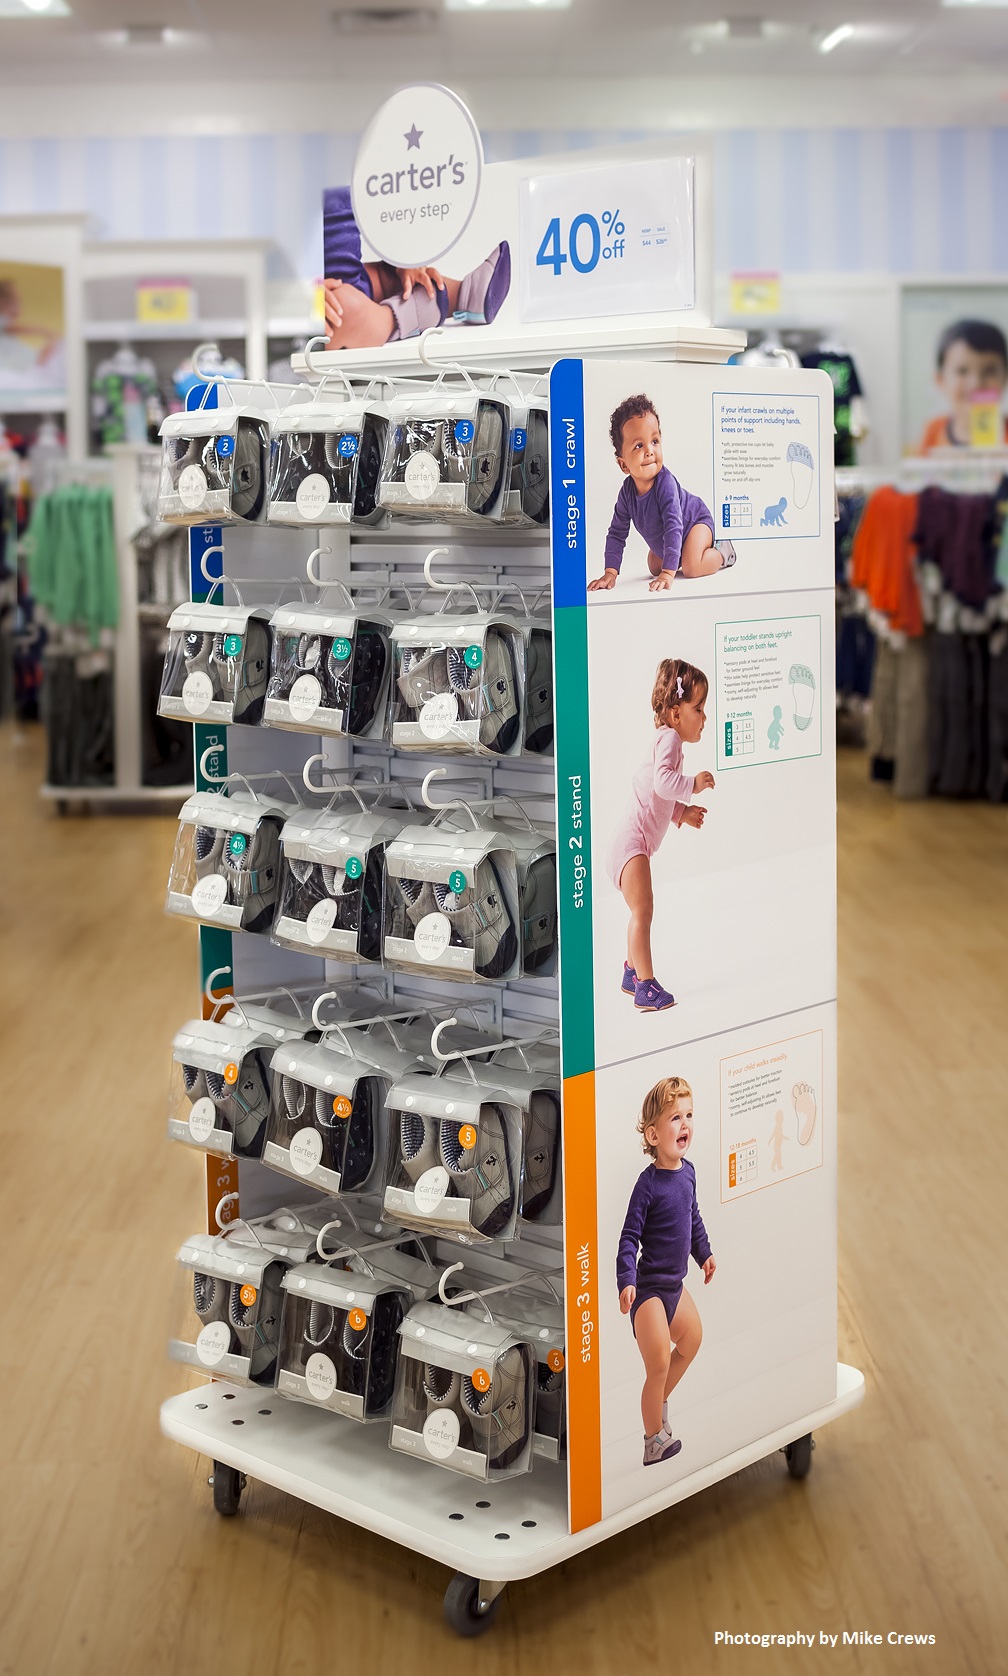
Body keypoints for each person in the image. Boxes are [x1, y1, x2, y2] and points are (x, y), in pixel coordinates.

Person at [617, 1075, 716, 1467]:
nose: (685, 1124)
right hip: (649, 1293)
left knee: (692, 1340)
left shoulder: (688, 1173)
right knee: (658, 1362)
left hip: (675, 1287)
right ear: (654, 1135)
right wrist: (626, 1281)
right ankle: (653, 1439)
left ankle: (657, 1404)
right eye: (676, 1118)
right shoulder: (648, 1185)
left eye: (689, 1115)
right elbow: (629, 1237)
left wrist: (704, 1254)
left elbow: (693, 1218)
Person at [606, 657, 714, 1012]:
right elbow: (663, 783)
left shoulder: (670, 742)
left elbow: (659, 798)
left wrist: (682, 814)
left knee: (640, 910)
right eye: (699, 708)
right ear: (675, 713)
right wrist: (693, 785)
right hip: (631, 845)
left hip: (631, 844)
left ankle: (631, 972)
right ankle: (646, 986)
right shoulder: (669, 740)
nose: (704, 717)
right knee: (644, 909)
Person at [321, 186, 510, 350]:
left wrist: (398, 264)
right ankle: (407, 315)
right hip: (322, 301)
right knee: (342, 307)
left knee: (397, 278)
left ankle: (465, 295)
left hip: (346, 274)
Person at [588, 393, 735, 593]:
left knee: (691, 567)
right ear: (624, 465)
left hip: (695, 524)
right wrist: (610, 573)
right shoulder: (626, 494)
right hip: (673, 538)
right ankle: (679, 556)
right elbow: (617, 533)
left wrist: (668, 573)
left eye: (655, 441)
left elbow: (674, 525)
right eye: (639, 446)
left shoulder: (665, 483)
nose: (650, 450)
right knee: (653, 565)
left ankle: (722, 552)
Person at [917, 319, 1008, 453]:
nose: (976, 384)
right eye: (962, 371)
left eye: (989, 371)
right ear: (940, 380)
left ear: (1005, 378)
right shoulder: (933, 431)